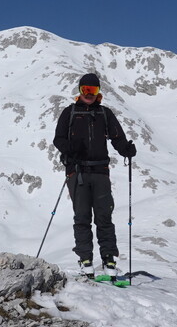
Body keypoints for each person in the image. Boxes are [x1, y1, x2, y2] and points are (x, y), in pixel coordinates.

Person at [52, 72, 136, 277]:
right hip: (77, 172)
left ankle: (109, 260)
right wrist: (70, 149)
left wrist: (126, 149)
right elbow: (58, 139)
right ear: (80, 90)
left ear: (99, 92)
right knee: (82, 217)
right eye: (85, 89)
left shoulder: (105, 114)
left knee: (104, 217)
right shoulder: (69, 113)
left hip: (100, 172)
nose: (89, 94)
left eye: (93, 90)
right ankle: (85, 260)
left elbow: (117, 138)